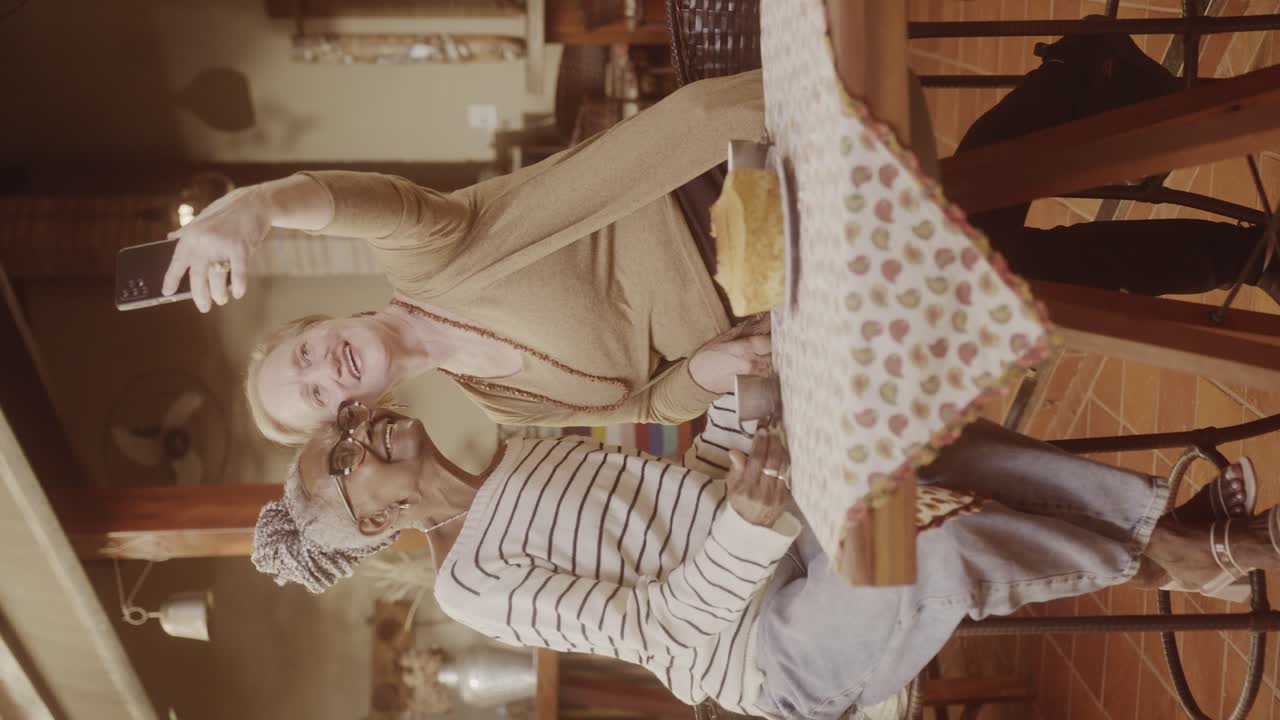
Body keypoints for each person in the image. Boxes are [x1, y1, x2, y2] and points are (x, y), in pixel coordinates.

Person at [251, 399, 1275, 719]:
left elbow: (688, 473)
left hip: (785, 542)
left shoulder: (523, 443)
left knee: (918, 449)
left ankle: (1183, 551)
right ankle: (1187, 551)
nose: (363, 430)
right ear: (373, 525)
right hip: (769, 653)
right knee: (919, 537)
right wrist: (746, 523)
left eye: (346, 421)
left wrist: (740, 405)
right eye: (344, 458)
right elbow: (660, 628)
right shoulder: (469, 586)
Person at [162, 72, 770, 444]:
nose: (325, 368)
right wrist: (702, 376)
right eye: (316, 395)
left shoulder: (429, 262)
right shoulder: (502, 407)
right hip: (766, 298)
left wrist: (261, 205)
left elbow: (375, 204)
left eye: (303, 354)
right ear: (354, 417)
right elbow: (647, 405)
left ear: (318, 325)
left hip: (730, 169)